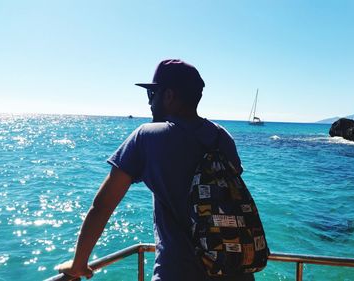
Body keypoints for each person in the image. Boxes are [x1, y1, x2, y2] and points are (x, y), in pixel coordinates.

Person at [57, 59, 255, 281]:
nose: (150, 103)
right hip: (235, 272)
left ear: (169, 96)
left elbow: (102, 206)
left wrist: (79, 264)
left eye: (152, 95)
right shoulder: (222, 137)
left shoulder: (147, 137)